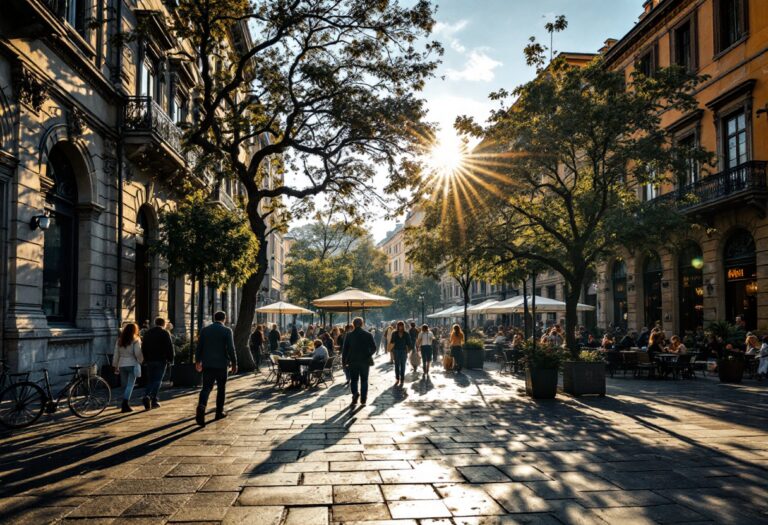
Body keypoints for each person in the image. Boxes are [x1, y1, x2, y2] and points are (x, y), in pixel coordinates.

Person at [195, 311, 237, 427]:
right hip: (222, 365)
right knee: (221, 388)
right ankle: (219, 412)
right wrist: (234, 363)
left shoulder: (205, 330)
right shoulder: (227, 330)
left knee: (206, 388)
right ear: (224, 318)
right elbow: (231, 348)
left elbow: (199, 347)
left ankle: (202, 405)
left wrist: (198, 361)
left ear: (214, 318)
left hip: (207, 364)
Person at [141, 317, 174, 410]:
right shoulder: (165, 333)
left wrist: (145, 358)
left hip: (150, 360)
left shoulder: (148, 333)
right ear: (163, 324)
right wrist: (171, 359)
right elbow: (169, 347)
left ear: (155, 323)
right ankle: (154, 399)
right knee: (158, 380)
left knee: (151, 380)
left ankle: (147, 396)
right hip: (161, 360)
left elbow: (143, 347)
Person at [341, 317, 377, 405]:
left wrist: (343, 362)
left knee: (354, 380)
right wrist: (368, 355)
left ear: (353, 324)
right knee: (364, 380)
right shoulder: (368, 334)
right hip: (365, 361)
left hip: (352, 361)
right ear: (362, 324)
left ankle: (355, 394)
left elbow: (344, 350)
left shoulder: (349, 335)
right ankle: (363, 399)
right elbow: (374, 348)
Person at [112, 323, 144, 413]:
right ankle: (125, 404)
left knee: (125, 385)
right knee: (130, 385)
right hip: (132, 363)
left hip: (122, 364)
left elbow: (116, 354)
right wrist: (141, 361)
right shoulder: (135, 340)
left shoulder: (120, 340)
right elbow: (138, 353)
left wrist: (115, 365)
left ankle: (124, 403)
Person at [389, 321, 413, 385]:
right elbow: (392, 342)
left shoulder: (406, 334)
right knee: (397, 365)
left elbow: (409, 343)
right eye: (399, 325)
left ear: (403, 326)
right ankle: (397, 378)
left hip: (403, 351)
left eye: (402, 325)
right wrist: (390, 350)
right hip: (396, 351)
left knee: (403, 365)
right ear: (397, 326)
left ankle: (402, 378)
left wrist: (408, 351)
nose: (400, 327)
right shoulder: (394, 333)